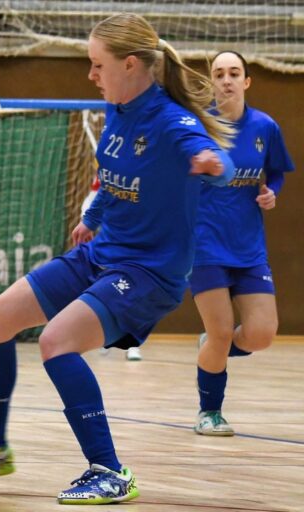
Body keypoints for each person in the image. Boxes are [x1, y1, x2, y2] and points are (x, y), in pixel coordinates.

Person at [0, 13, 235, 505]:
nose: (91, 75)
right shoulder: (118, 107)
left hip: (148, 273)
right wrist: (93, 215)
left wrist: (213, 165)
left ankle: (110, 470)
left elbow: (214, 161)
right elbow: (111, 172)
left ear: (132, 64)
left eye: (98, 65)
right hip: (101, 254)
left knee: (56, 342)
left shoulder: (171, 121)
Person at [190, 51, 294, 436]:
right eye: (219, 73)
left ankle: (212, 349)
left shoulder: (265, 127)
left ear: (247, 81)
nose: (227, 79)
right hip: (204, 245)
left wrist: (272, 193)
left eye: (234, 73)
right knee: (220, 332)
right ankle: (209, 413)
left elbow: (277, 172)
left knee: (262, 334)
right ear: (211, 82)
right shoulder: (197, 127)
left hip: (249, 247)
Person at [81, 177, 143, 361]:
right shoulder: (106, 174)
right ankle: (102, 336)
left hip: (138, 243)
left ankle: (132, 346)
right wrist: (90, 221)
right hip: (110, 243)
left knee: (135, 293)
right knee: (105, 291)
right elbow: (91, 201)